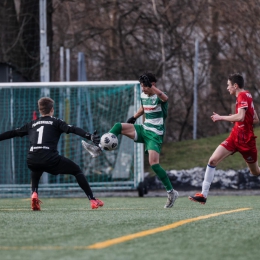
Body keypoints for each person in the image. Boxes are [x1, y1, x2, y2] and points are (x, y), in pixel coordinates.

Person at [82, 72, 179, 208]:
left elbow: (165, 98)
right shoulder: (143, 95)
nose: (143, 88)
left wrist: (152, 87)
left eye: (145, 86)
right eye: (141, 86)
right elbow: (143, 107)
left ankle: (171, 192)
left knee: (154, 164)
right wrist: (134, 117)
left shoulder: (159, 96)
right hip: (144, 129)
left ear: (153, 85)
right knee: (118, 126)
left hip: (155, 134)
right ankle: (98, 148)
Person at [0, 97, 104, 210]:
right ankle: (93, 200)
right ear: (52, 109)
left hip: (32, 158)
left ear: (40, 110)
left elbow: (13, 133)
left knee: (36, 168)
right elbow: (73, 129)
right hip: (49, 158)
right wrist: (90, 136)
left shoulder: (32, 124)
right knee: (77, 170)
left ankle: (34, 193)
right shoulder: (56, 122)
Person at [189, 73, 260, 204]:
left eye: (228, 85)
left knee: (255, 172)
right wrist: (237, 119)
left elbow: (241, 117)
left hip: (247, 141)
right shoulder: (246, 95)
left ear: (235, 85)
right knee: (213, 160)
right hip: (234, 138)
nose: (227, 88)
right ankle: (203, 195)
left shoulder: (243, 95)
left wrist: (221, 117)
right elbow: (254, 119)